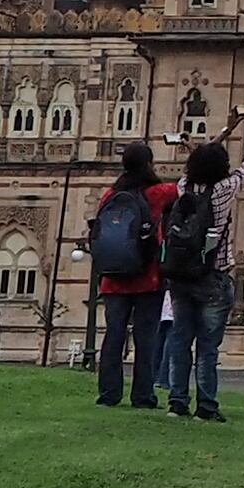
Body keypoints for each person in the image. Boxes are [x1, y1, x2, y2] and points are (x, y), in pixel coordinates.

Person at [157, 102, 244, 422]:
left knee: (180, 340)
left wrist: (200, 143)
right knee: (208, 346)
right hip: (214, 274)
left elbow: (199, 165)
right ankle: (206, 405)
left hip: (180, 276)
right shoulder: (225, 189)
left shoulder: (183, 187)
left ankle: (177, 402)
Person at [85, 142, 173, 411]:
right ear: (149, 164)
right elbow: (185, 187)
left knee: (113, 335)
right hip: (147, 277)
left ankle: (109, 394)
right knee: (146, 338)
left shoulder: (109, 195)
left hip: (113, 277)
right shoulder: (156, 193)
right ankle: (143, 395)